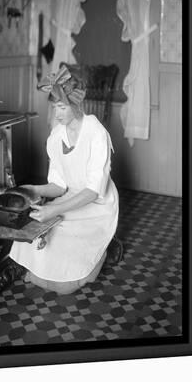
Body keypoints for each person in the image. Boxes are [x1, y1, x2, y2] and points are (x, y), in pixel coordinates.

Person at [9, 65, 119, 294]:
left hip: (96, 205)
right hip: (70, 198)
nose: (56, 114)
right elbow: (59, 186)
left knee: (65, 287)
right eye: (54, 108)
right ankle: (52, 271)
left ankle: (99, 255)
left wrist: (53, 211)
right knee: (37, 231)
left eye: (61, 107)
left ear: (76, 105)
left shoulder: (96, 133)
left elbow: (92, 191)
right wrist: (32, 189)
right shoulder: (56, 136)